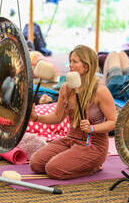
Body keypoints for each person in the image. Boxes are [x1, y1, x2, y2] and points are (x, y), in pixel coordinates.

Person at [30, 45, 117, 180]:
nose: (70, 65)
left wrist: (93, 128)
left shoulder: (100, 91)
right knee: (36, 164)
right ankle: (76, 161)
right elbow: (57, 116)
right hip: (70, 139)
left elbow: (114, 122)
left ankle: (92, 166)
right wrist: (36, 118)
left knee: (53, 169)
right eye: (70, 60)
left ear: (86, 66)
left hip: (93, 145)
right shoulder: (66, 88)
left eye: (74, 62)